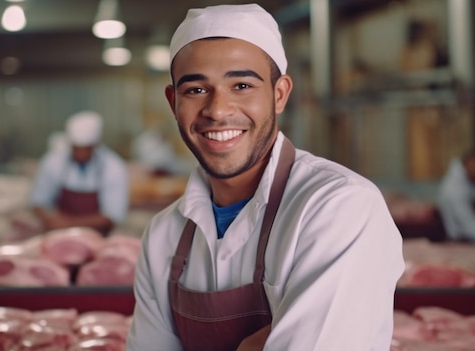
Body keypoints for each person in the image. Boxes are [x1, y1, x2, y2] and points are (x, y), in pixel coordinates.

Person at [125, 4, 404, 351]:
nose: (217, 110)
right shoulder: (163, 235)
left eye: (241, 85)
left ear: (280, 94)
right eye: (196, 90)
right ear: (173, 102)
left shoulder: (339, 207)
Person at [29, 110, 129, 235]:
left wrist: (68, 223)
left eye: (86, 149)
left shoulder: (113, 167)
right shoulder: (53, 162)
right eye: (76, 148)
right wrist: (48, 219)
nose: (80, 154)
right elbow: (39, 201)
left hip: (98, 237)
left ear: (96, 145)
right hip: (58, 236)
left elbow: (113, 215)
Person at [437, 147, 475, 241]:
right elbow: (467, 224)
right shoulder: (454, 189)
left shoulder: (468, 182)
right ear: (470, 162)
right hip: (462, 240)